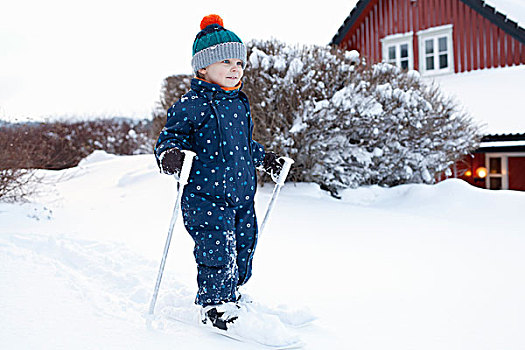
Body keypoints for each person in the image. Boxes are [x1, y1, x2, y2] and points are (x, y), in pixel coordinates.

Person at [154, 14, 283, 331]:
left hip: (241, 194)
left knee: (243, 246)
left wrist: (267, 159)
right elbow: (170, 138)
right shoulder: (190, 104)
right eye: (225, 61)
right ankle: (214, 305)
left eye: (239, 62)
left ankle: (232, 293)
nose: (235, 68)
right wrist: (170, 155)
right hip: (205, 196)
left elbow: (244, 145)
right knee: (217, 249)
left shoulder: (239, 102)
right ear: (203, 67)